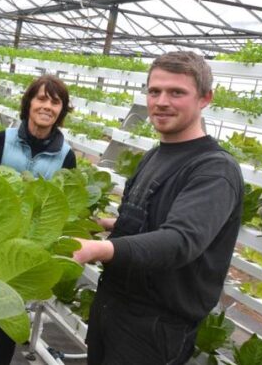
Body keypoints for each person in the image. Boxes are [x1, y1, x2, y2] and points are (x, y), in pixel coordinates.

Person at [73, 51, 243, 365]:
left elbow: (180, 240)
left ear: (205, 98)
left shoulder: (214, 170)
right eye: (154, 91)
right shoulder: (155, 155)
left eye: (176, 92)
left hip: (154, 327)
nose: (162, 101)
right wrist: (107, 224)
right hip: (114, 306)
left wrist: (97, 249)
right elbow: (150, 220)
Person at [0, 74, 75, 364]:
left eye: (55, 102)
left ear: (61, 111)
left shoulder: (65, 156)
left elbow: (62, 207)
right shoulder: (2, 140)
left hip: (26, 249)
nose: (47, 107)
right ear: (29, 103)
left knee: (11, 314)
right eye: (41, 98)